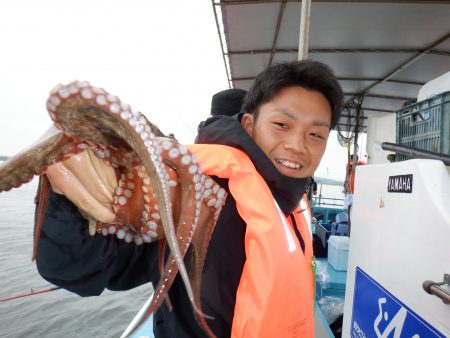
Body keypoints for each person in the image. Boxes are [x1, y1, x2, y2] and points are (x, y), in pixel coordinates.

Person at [36, 60, 343, 338]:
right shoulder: (190, 194)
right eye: (281, 125)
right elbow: (84, 268)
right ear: (249, 125)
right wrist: (67, 204)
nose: (296, 146)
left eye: (315, 134)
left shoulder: (291, 201)